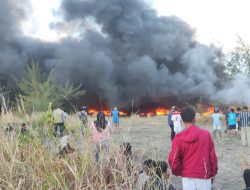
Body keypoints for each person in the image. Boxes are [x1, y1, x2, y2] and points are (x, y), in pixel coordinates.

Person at [168, 107, 218, 190]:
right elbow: (212, 156)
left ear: (182, 120)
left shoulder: (178, 137)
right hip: (204, 174)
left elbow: (173, 159)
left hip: (187, 176)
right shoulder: (205, 134)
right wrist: (213, 173)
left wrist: (178, 172)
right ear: (194, 118)